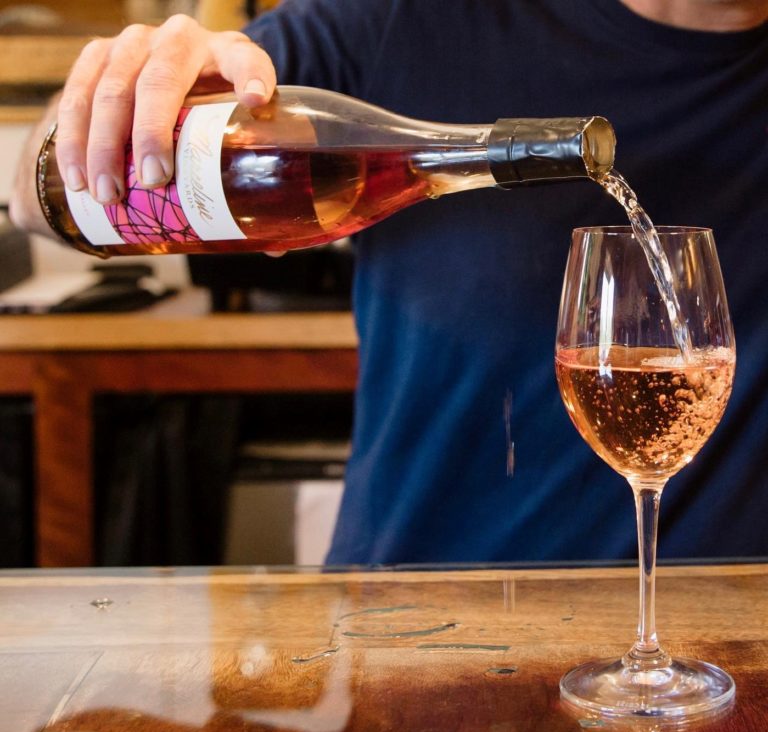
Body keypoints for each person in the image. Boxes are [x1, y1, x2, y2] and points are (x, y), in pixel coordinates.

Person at [11, 0, 768, 565]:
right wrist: (111, 108)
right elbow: (33, 195)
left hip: (729, 655)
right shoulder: (406, 19)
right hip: (414, 646)